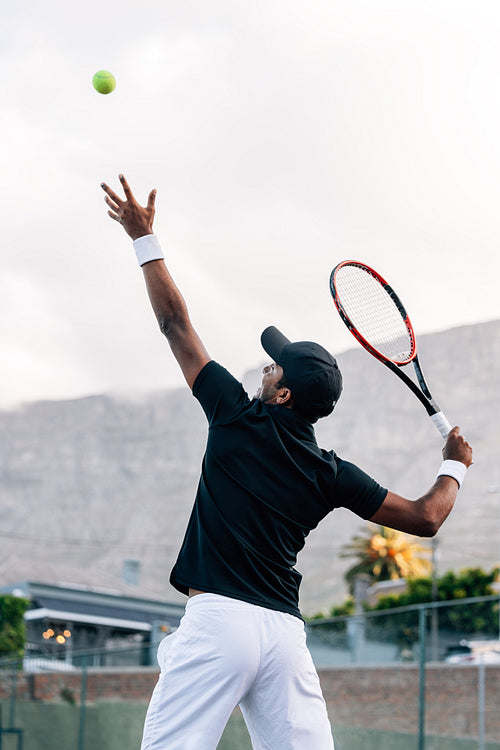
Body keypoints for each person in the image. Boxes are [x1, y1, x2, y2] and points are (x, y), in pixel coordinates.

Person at [101, 175, 473, 750]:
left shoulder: (233, 412)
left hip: (219, 622)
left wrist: (143, 239)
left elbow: (175, 325)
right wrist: (455, 465)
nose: (265, 368)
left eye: (274, 369)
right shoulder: (331, 472)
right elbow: (427, 517)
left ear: (282, 396)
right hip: (282, 635)